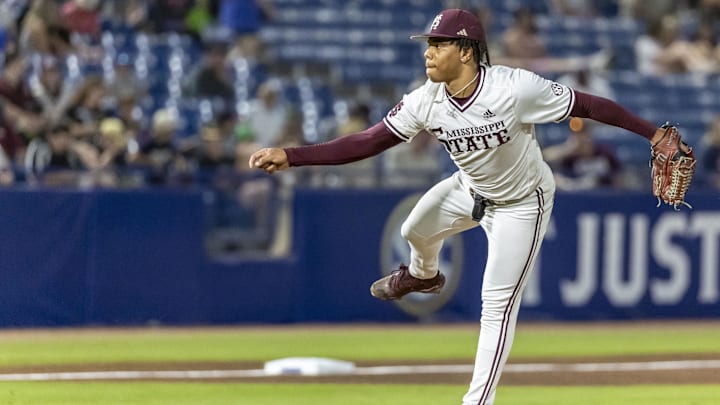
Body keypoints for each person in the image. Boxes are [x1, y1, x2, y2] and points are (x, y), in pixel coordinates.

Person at [247, 9, 693, 405]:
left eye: (438, 44)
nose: (428, 52)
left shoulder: (515, 88)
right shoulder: (427, 99)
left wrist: (653, 135)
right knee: (413, 231)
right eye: (428, 45)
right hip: (469, 188)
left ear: (465, 51)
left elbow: (590, 105)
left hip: (522, 202)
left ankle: (477, 401)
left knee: (496, 306)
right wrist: (294, 155)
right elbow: (369, 140)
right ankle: (423, 275)